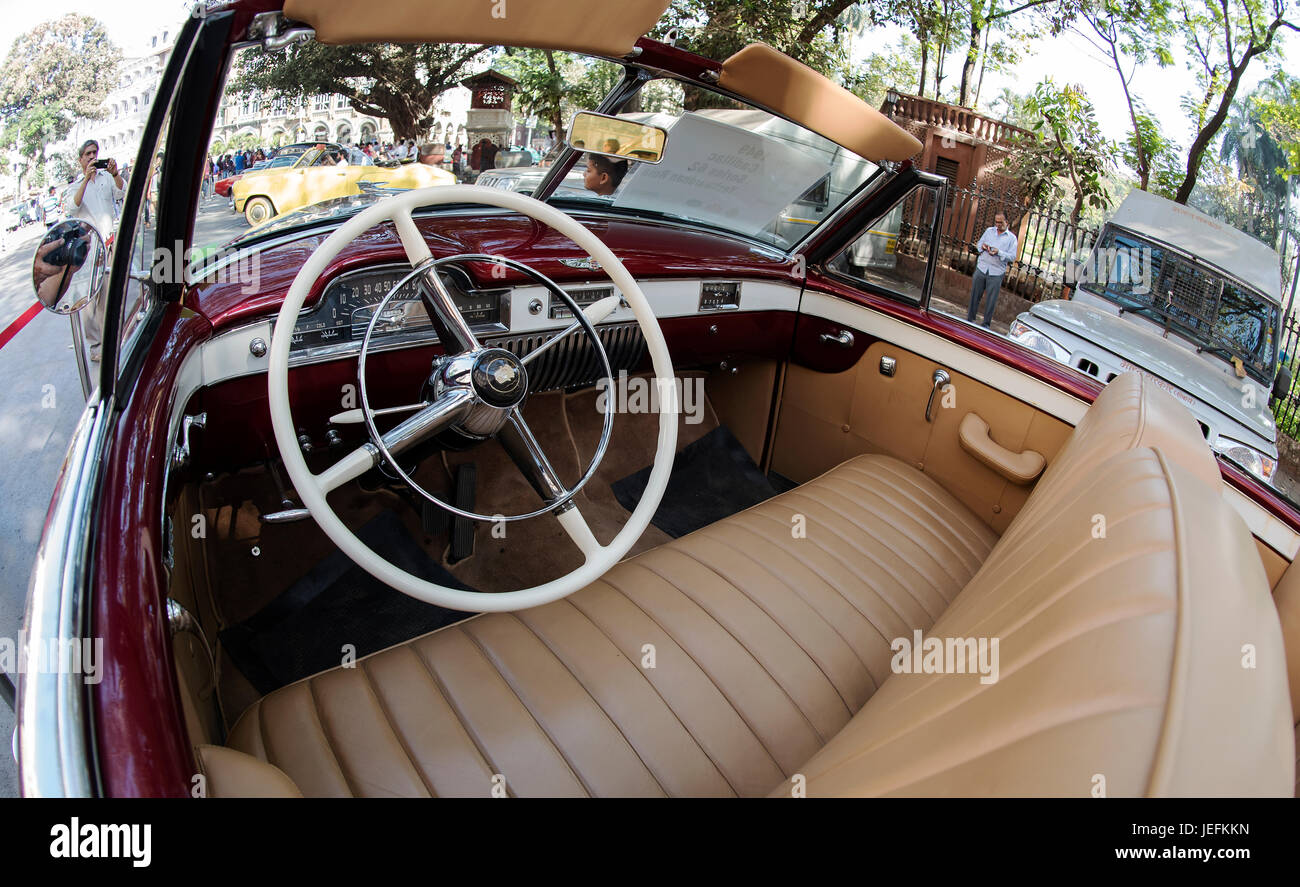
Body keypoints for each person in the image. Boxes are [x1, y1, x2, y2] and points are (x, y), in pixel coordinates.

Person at [66, 139, 125, 362]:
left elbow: (121, 193)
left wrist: (116, 173)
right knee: (90, 300)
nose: (92, 157)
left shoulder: (106, 179)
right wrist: (85, 180)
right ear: (80, 159)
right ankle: (95, 345)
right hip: (90, 249)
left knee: (109, 297)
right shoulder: (75, 186)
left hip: (109, 243)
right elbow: (73, 206)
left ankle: (110, 338)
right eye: (88, 154)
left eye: (95, 153)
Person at [966, 211, 1018, 329]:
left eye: (1000, 222)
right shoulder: (989, 231)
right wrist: (983, 246)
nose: (998, 224)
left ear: (1007, 222)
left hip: (996, 272)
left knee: (991, 300)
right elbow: (979, 244)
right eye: (996, 222)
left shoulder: (1012, 239)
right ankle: (970, 319)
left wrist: (999, 252)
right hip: (982, 267)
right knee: (975, 295)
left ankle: (986, 325)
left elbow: (1012, 257)